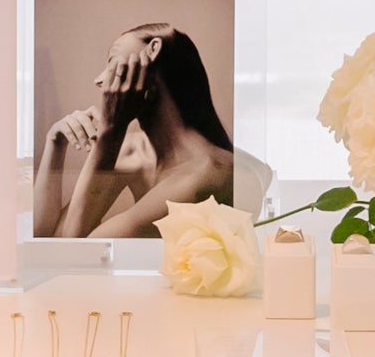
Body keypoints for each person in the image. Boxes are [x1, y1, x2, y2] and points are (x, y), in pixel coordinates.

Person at [33, 21, 233, 241]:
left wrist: (112, 130)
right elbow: (49, 240)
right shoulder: (132, 151)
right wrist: (55, 142)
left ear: (153, 49)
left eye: (112, 62)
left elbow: (76, 249)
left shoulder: (203, 175)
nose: (99, 80)